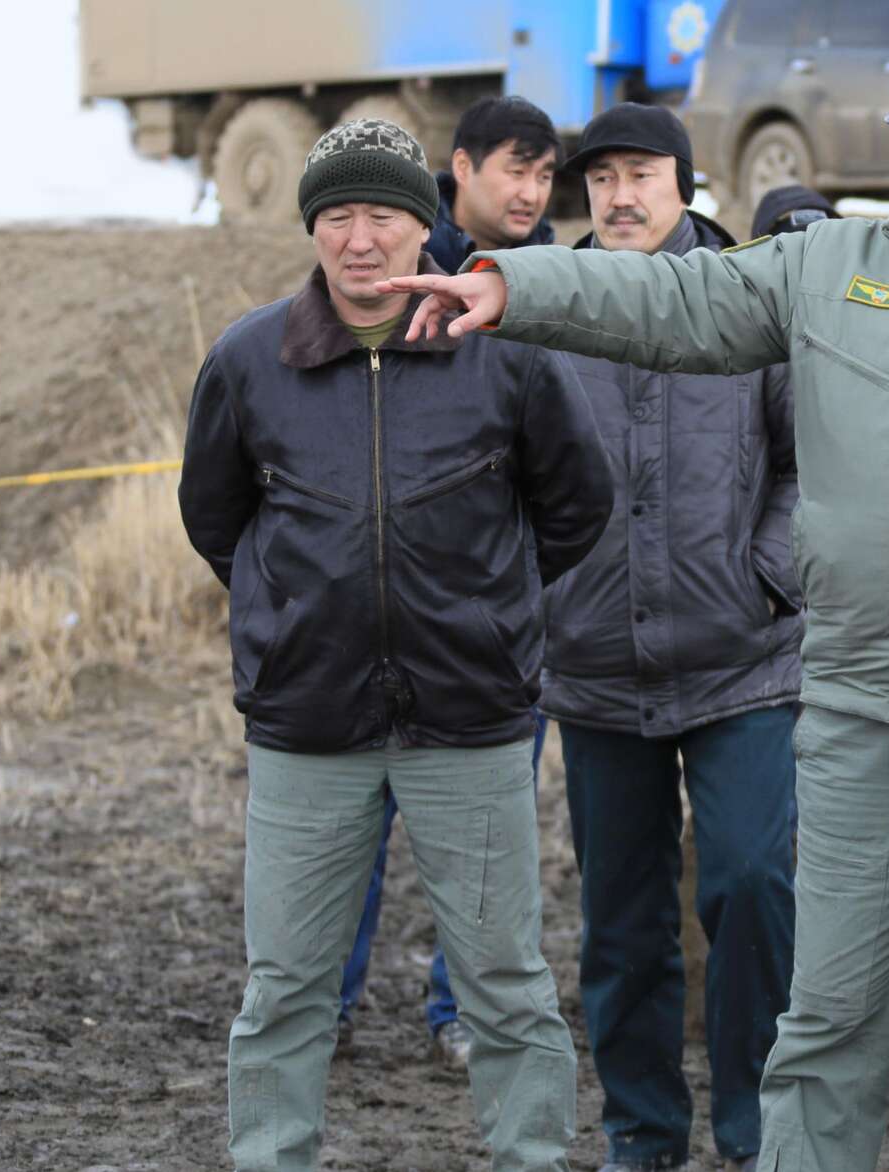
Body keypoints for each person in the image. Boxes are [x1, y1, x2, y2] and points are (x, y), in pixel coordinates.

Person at [384, 25, 889, 1172]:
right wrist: (509, 282)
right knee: (822, 1024)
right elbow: (676, 304)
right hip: (855, 707)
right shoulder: (833, 266)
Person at [178, 117, 612, 1171]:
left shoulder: (499, 351)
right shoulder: (248, 359)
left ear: (424, 227)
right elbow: (215, 518)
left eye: (380, 215)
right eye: (335, 217)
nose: (358, 239)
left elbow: (576, 504)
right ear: (311, 229)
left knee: (505, 983)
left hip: (467, 719)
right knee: (283, 985)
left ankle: (532, 1156)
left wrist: (485, 610)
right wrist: (292, 619)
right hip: (306, 725)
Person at [542, 102, 801, 1172]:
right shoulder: (540, 310)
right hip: (595, 663)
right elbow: (504, 475)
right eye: (599, 177)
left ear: (683, 185)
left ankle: (749, 1127)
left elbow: (806, 459)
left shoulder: (750, 295)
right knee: (619, 920)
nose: (618, 194)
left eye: (640, 173)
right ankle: (641, 1134)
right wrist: (542, 597)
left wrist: (767, 570)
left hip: (742, 655)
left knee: (749, 881)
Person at [339, 92, 564, 1071]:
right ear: (461, 168)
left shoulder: (554, 281)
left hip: (491, 617)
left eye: (545, 172)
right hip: (368, 605)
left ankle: (460, 1009)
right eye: (513, 167)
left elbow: (573, 479)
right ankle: (321, 1001)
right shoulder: (376, 253)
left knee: (485, 835)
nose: (530, 190)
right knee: (348, 822)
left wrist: (520, 587)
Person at [749, 184, 889, 1087]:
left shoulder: (884, 332)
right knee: (825, 853)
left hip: (880, 640)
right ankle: (832, 1012)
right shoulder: (750, 341)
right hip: (779, 638)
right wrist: (768, 574)